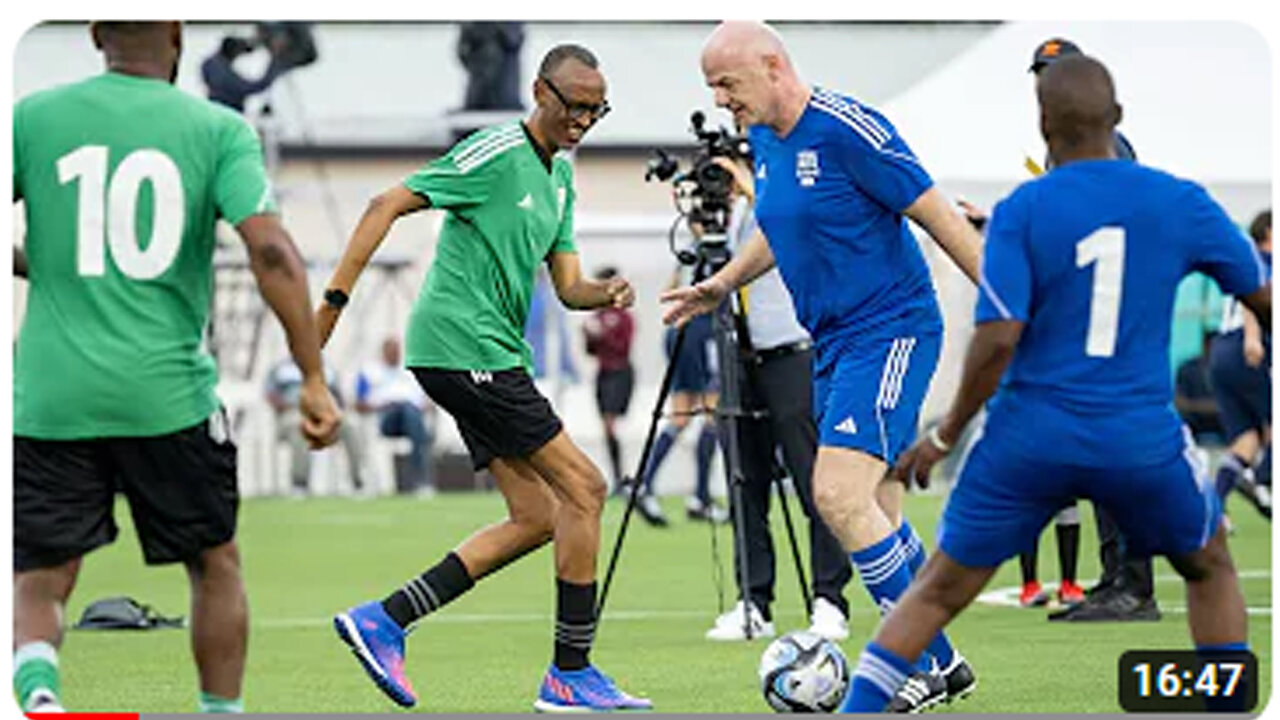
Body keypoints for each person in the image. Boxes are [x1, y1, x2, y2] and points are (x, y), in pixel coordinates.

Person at [842, 54, 1271, 713]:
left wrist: (947, 432)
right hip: (1138, 435)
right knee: (1208, 564)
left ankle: (858, 710)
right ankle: (1223, 706)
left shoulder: (1025, 208)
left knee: (935, 591)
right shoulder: (1178, 200)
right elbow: (1261, 294)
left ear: (1043, 125)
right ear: (1118, 117)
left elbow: (997, 339)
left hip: (1031, 437)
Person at [11, 22, 341, 714]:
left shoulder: (33, 117)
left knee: (42, 575)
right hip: (167, 396)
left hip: (51, 395)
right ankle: (219, 711)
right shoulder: (216, 129)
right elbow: (272, 252)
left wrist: (41, 261)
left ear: (96, 33)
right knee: (214, 561)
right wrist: (311, 376)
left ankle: (38, 692)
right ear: (177, 35)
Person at [317, 44, 651, 712]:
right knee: (586, 488)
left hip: (490, 356)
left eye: (596, 109)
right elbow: (385, 203)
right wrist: (328, 311)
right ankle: (571, 673)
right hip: (461, 348)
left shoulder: (559, 179)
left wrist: (605, 293)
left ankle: (386, 620)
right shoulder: (495, 151)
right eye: (574, 104)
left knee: (537, 517)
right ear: (539, 90)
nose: (584, 119)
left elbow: (567, 288)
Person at [663, 21, 983, 711]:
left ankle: (931, 662)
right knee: (874, 508)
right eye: (712, 87)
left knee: (835, 493)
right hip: (832, 342)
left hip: (890, 330)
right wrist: (721, 284)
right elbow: (781, 229)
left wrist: (1010, 307)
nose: (720, 101)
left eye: (727, 83)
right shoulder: (766, 141)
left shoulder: (848, 128)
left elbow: (938, 215)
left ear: (773, 65)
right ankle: (942, 660)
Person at [961, 36, 1151, 624]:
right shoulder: (1065, 149)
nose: (1045, 83)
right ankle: (1114, 577)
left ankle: (1134, 588)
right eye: (1041, 74)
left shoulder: (1101, 146)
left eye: (1055, 72)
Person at [699, 153, 854, 643]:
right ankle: (754, 601)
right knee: (746, 482)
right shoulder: (728, 214)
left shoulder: (784, 197)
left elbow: (794, 238)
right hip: (738, 356)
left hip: (792, 351)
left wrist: (752, 193)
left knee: (815, 480)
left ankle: (829, 599)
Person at [634, 262, 725, 527]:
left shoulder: (688, 254)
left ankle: (645, 485)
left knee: (681, 416)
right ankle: (701, 497)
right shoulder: (718, 249)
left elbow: (669, 289)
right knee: (712, 412)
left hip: (679, 332)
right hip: (703, 332)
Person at [1208, 209, 1272, 520]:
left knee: (1246, 440)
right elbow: (1252, 298)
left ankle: (1214, 507)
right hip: (1246, 349)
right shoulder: (1265, 261)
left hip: (1221, 353)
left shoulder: (1246, 258)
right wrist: (1253, 337)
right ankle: (1258, 480)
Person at [266, 358, 371, 497]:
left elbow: (339, 399)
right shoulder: (280, 370)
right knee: (300, 425)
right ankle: (299, 483)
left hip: (325, 413)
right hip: (293, 412)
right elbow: (270, 395)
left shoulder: (327, 369)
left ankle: (358, 482)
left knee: (350, 425)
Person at [355, 337, 437, 495]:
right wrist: (381, 405)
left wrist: (425, 406)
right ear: (383, 352)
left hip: (411, 417)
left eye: (398, 351)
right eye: (391, 351)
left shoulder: (410, 371)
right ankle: (420, 480)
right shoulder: (370, 372)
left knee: (411, 414)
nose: (395, 354)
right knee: (410, 415)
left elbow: (427, 400)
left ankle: (419, 481)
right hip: (385, 418)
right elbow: (359, 404)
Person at [582, 266, 636, 493]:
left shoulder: (623, 316)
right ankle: (618, 478)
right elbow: (591, 351)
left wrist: (602, 334)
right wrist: (589, 336)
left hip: (620, 372)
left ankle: (621, 479)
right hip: (603, 374)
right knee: (606, 427)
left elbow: (623, 347)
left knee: (610, 425)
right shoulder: (597, 316)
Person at [200, 35, 283, 114]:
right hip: (229, 113)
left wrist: (256, 43)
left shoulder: (210, 63)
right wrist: (274, 62)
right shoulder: (226, 76)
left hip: (215, 109)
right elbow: (253, 87)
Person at [1174, 333, 1225, 445]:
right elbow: (1180, 403)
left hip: (1224, 429)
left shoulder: (1229, 370)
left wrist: (1194, 405)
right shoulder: (1188, 369)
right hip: (1195, 428)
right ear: (1204, 346)